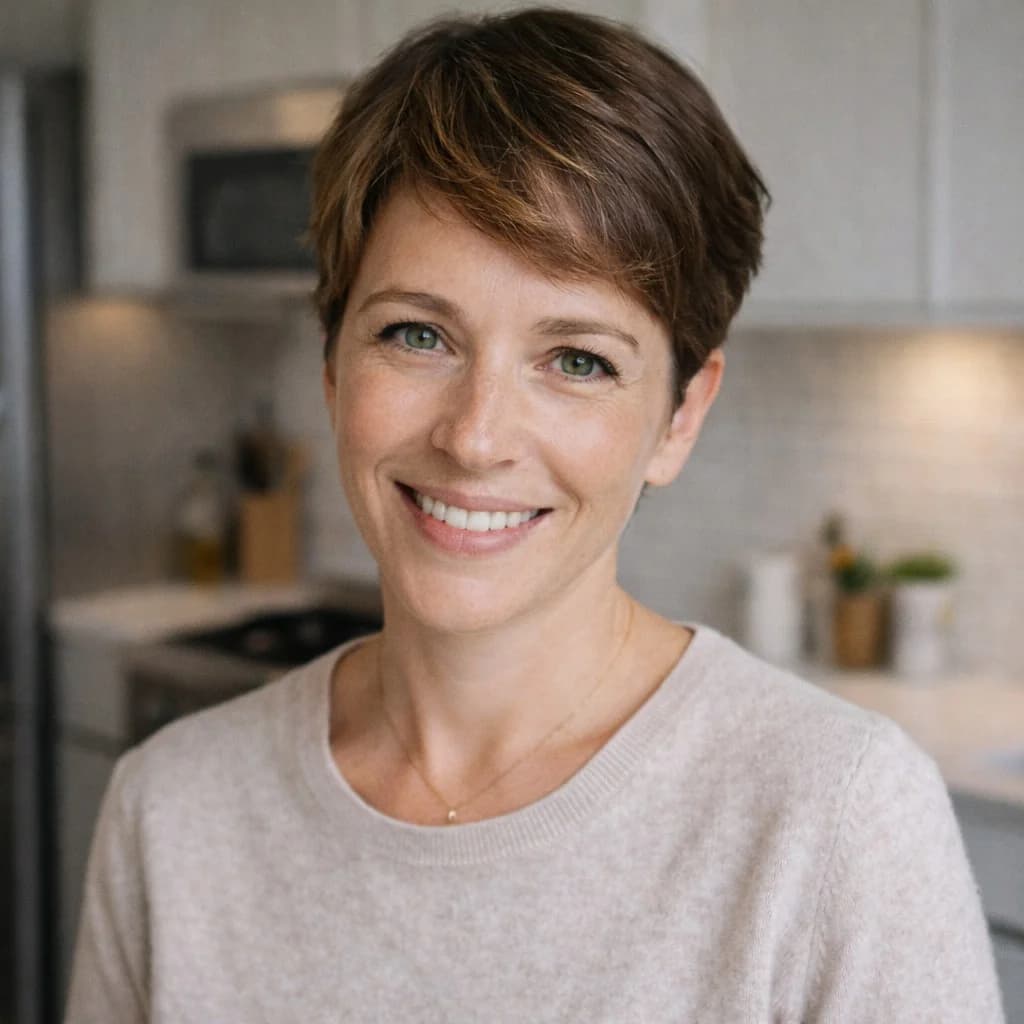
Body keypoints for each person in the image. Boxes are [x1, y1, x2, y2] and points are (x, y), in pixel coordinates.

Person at [65, 8, 1004, 1022]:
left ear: (679, 416)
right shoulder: (168, 812)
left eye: (578, 360)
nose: (475, 437)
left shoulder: (837, 819)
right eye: (417, 333)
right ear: (332, 366)